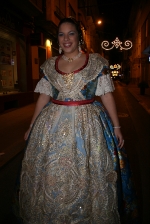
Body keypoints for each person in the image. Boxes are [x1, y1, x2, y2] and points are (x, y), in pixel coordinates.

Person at [19, 18, 138, 224]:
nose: (66, 39)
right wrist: (31, 125)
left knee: (88, 170)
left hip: (88, 126)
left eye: (71, 33)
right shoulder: (49, 65)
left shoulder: (96, 63)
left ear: (79, 37)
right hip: (52, 126)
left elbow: (107, 95)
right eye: (61, 34)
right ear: (57, 39)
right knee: (51, 172)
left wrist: (117, 126)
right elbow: (44, 97)